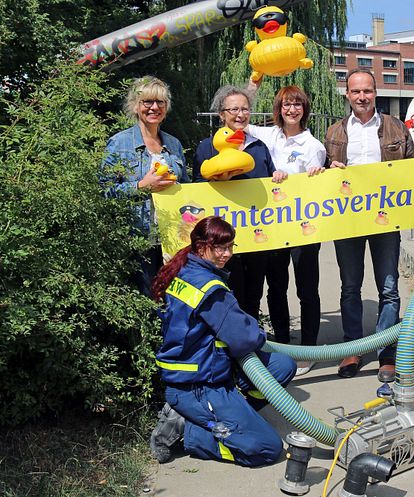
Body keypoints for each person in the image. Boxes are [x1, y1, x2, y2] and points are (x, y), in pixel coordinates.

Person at [149, 216, 295, 466]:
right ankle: (188, 431)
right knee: (267, 448)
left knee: (282, 365)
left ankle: (234, 415)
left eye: (230, 247)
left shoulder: (186, 268)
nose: (227, 254)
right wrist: (258, 334)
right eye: (220, 248)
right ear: (200, 245)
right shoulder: (209, 288)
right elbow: (244, 337)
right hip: (197, 386)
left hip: (205, 370)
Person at [324, 69, 414, 381]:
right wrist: (330, 169)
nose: (362, 97)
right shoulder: (334, 132)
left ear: (375, 92)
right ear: (347, 95)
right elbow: (321, 176)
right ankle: (352, 346)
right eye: (355, 92)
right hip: (348, 220)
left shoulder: (396, 128)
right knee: (350, 286)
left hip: (386, 217)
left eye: (367, 91)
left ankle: (386, 351)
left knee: (389, 287)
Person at [247, 85, 326, 376]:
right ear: (278, 109)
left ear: (304, 110)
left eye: (297, 105)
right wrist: (253, 87)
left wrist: (315, 175)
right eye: (285, 105)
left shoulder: (313, 146)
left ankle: (308, 349)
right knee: (276, 287)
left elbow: (316, 187)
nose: (291, 110)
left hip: (305, 228)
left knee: (307, 289)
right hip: (274, 227)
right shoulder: (269, 135)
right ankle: (281, 343)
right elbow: (237, 118)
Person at [193, 85, 287, 324]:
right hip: (221, 241)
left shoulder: (258, 147)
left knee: (253, 296)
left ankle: (250, 349)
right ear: (221, 114)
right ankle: (228, 352)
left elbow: (270, 181)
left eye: (245, 109)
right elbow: (194, 191)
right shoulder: (207, 148)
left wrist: (278, 177)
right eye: (233, 109)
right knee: (225, 295)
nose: (240, 114)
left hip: (255, 236)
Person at [101, 76, 189, 297]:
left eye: (160, 102)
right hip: (136, 240)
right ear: (135, 106)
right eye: (147, 102)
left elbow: (186, 189)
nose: (154, 107)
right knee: (145, 299)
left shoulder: (174, 144)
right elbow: (103, 192)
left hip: (172, 240)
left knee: (173, 298)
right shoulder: (119, 144)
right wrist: (141, 185)